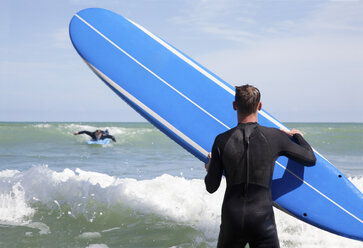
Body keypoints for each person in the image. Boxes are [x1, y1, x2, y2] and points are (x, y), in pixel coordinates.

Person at [204, 85, 316, 248]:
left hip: (232, 220)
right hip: (262, 219)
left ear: (235, 105)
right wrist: (297, 136)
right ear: (260, 106)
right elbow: (310, 159)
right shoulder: (275, 137)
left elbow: (211, 187)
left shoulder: (221, 140)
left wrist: (211, 167)